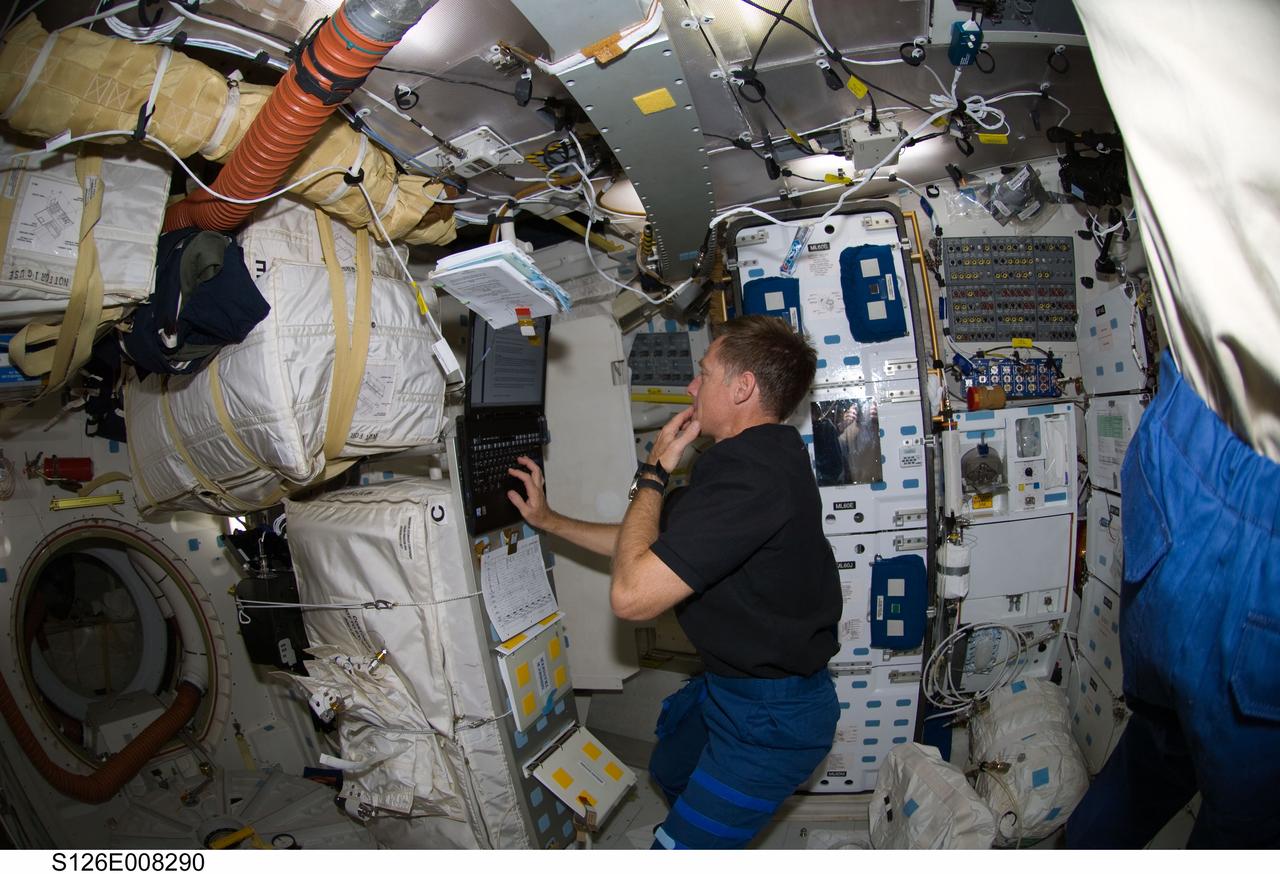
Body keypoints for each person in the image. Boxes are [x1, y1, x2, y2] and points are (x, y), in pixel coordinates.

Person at [506, 315, 842, 850]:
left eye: (703, 373)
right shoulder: (752, 462)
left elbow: (632, 595)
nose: (691, 386)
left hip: (772, 719)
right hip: (731, 687)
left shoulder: (751, 479)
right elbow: (645, 543)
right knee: (667, 770)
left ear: (742, 387)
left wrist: (655, 470)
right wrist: (549, 520)